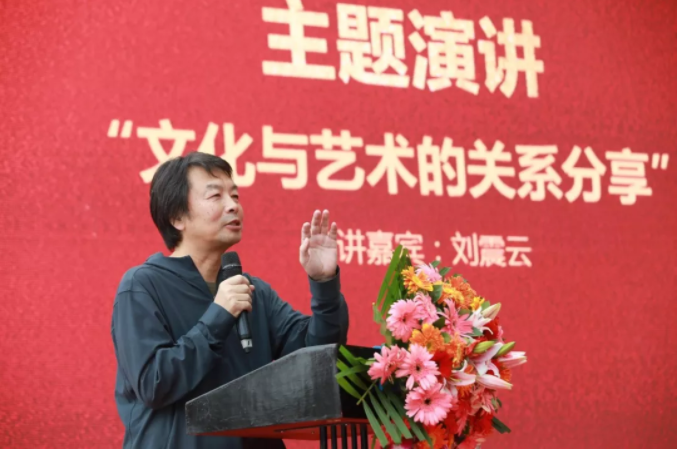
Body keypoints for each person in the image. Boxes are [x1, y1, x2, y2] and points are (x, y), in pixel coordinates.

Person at [111, 152, 349, 449]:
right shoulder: (142, 286)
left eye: (235, 195)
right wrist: (219, 316)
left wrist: (324, 283)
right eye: (216, 196)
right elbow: (153, 383)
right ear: (177, 217)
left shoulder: (254, 291)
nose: (233, 205)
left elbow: (319, 358)